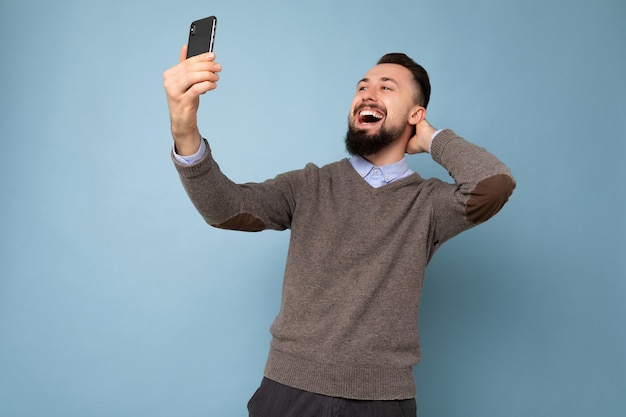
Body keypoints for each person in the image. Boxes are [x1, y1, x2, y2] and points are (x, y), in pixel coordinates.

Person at [163, 47, 516, 417]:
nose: (368, 93)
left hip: (382, 402)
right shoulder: (309, 184)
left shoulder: (428, 205)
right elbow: (224, 209)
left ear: (416, 114)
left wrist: (430, 139)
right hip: (289, 393)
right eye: (362, 86)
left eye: (386, 87)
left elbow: (493, 185)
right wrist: (184, 129)